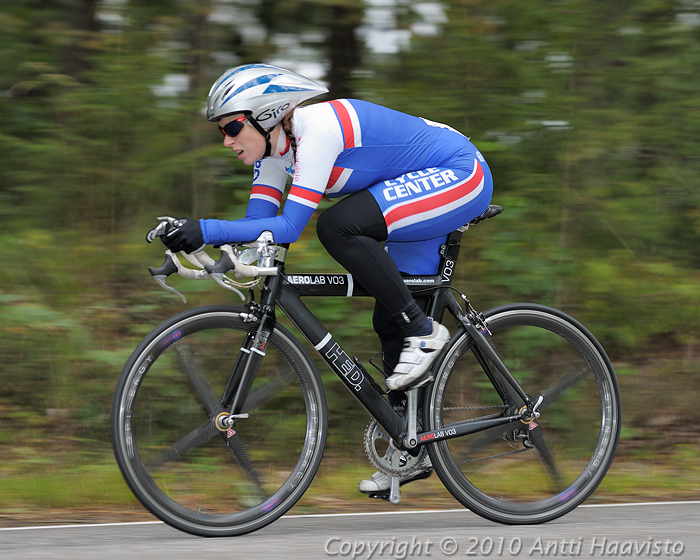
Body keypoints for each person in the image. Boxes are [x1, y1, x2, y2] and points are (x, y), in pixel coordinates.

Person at [160, 63, 493, 495]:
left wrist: (204, 228)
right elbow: (258, 229)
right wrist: (204, 252)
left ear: (266, 116)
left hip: (459, 173)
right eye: (221, 131)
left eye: (232, 127)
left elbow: (288, 229)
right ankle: (412, 446)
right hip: (412, 187)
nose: (227, 140)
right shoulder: (276, 155)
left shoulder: (316, 131)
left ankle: (426, 331)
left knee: (338, 227)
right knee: (389, 317)